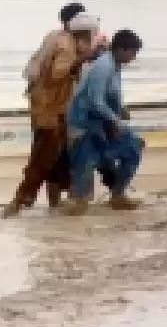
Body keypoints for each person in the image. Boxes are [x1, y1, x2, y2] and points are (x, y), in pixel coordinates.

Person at [4, 13, 100, 216]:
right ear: (85, 32)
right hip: (49, 112)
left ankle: (48, 205)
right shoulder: (67, 47)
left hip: (54, 110)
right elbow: (57, 73)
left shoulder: (62, 40)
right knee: (42, 159)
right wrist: (84, 58)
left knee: (56, 159)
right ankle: (19, 201)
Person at [62, 29, 145, 216]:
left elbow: (111, 95)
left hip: (104, 121)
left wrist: (120, 110)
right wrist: (115, 121)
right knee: (85, 161)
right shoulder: (103, 67)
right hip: (85, 123)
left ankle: (117, 195)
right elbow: (95, 101)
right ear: (122, 49)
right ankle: (79, 202)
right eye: (133, 52)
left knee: (134, 146)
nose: (134, 57)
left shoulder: (116, 65)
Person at [23, 2, 86, 96]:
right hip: (53, 95)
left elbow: (37, 62)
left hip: (39, 90)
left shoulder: (53, 35)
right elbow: (58, 71)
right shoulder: (66, 41)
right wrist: (83, 58)